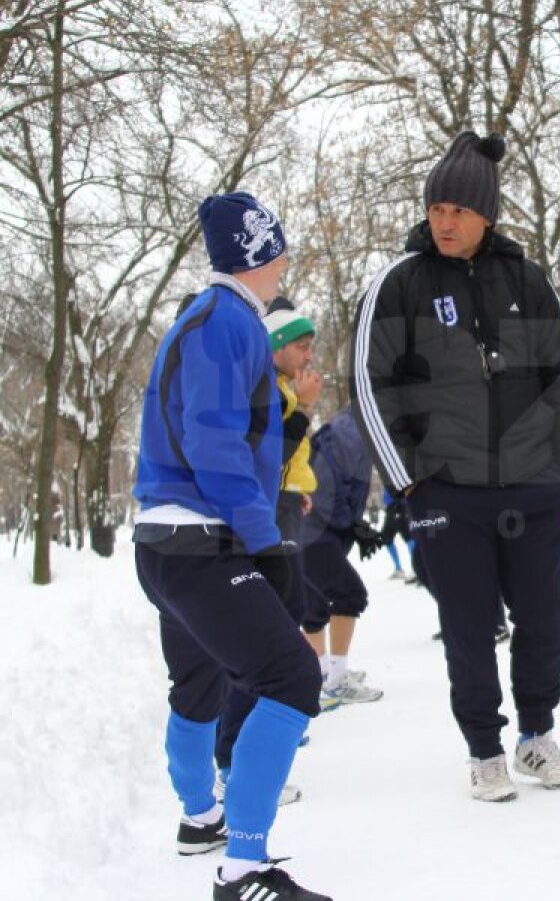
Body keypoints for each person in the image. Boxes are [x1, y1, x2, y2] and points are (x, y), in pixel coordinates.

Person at [350, 131, 560, 802]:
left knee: (546, 620)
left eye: (457, 210)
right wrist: (408, 483)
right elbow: (370, 386)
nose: (444, 221)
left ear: (487, 214)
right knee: (469, 626)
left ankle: (537, 736)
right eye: (435, 209)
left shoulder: (527, 280)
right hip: (449, 491)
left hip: (536, 486)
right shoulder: (400, 284)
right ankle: (484, 749)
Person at [132, 191, 329, 901]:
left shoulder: (206, 316)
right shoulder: (228, 321)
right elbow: (214, 441)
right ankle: (244, 868)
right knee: (290, 678)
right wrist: (264, 544)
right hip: (200, 542)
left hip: (165, 543)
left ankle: (199, 819)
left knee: (199, 686)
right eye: (279, 247)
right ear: (263, 252)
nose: (286, 260)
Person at [214, 296, 321, 805]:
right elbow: (269, 450)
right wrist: (302, 408)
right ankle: (236, 760)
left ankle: (255, 740)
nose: (307, 357)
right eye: (300, 346)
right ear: (276, 346)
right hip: (259, 520)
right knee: (266, 636)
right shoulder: (270, 393)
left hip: (276, 511)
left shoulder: (278, 391)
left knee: (285, 618)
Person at [300, 408, 386, 705]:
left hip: (311, 531)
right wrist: (352, 523)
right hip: (314, 532)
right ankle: (335, 681)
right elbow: (325, 487)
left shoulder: (355, 429)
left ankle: (323, 674)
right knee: (349, 595)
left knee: (314, 603)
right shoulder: (350, 433)